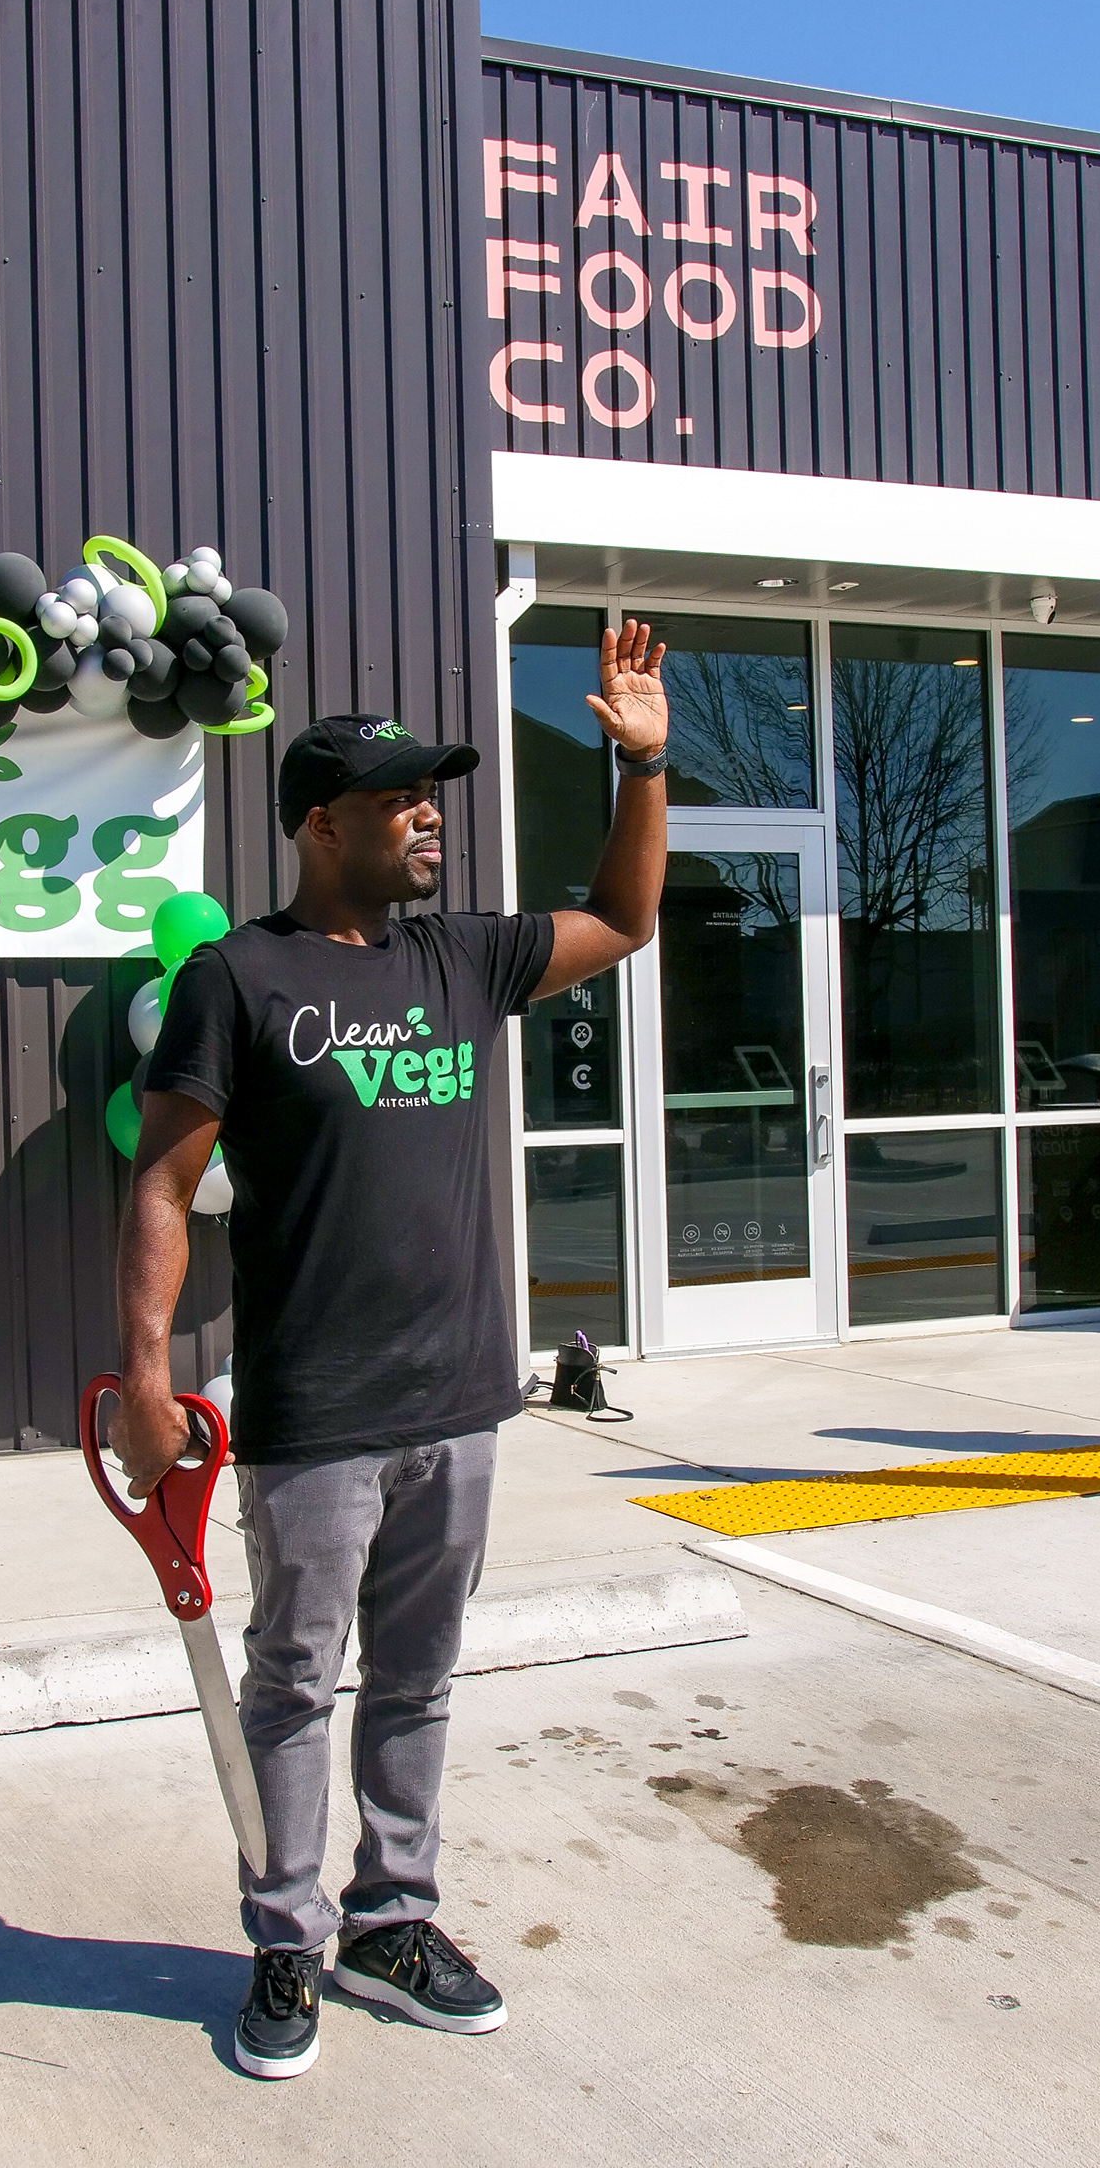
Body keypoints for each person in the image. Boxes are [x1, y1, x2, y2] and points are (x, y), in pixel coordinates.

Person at [112, 619, 669, 2079]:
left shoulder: (463, 958)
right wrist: (149, 1379)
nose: (428, 814)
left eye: (433, 794)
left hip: (463, 1402)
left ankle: (392, 1920)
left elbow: (624, 919)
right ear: (319, 822)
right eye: (398, 796)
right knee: (295, 1680)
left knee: (418, 1679)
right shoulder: (237, 978)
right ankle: (284, 1940)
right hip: (315, 1414)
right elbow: (163, 1182)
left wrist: (643, 767)